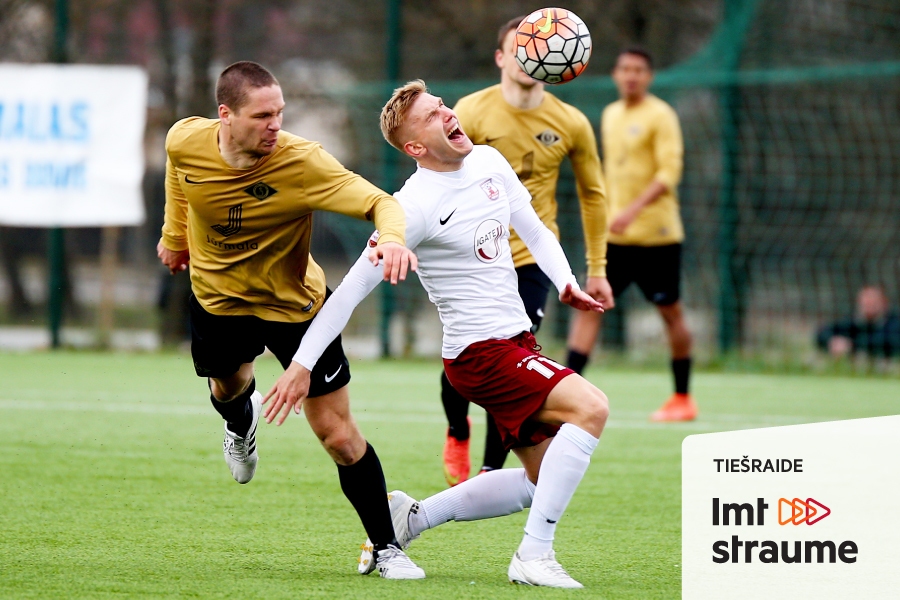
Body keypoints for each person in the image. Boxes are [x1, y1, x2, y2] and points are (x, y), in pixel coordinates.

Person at [265, 80, 610, 588]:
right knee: (592, 406)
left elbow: (534, 229)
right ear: (415, 148)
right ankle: (533, 556)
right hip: (479, 355)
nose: (448, 113)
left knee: (542, 481)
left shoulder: (490, 162)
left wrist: (566, 283)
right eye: (432, 116)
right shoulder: (410, 208)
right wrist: (301, 364)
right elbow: (346, 295)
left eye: (442, 105)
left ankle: (413, 517)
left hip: (516, 343)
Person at [156, 61, 424, 579]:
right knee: (228, 390)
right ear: (225, 116)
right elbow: (178, 176)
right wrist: (173, 233)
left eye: (280, 113)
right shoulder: (184, 139)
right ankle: (242, 425)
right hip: (218, 301)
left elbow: (380, 202)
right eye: (262, 115)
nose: (275, 125)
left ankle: (387, 547)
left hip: (296, 309)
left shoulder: (302, 162)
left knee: (339, 436)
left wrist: (391, 239)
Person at [439, 15, 612, 485]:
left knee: (511, 361)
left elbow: (594, 195)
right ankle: (457, 429)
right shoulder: (470, 112)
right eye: (523, 45)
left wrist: (596, 268)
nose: (534, 53)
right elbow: (439, 178)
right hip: (474, 256)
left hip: (532, 258)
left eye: (543, 45)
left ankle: (491, 467)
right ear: (501, 57)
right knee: (462, 359)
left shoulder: (570, 121)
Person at [566, 47, 697, 422]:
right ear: (615, 75)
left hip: (657, 235)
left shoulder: (661, 115)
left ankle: (683, 398)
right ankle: (569, 393)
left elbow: (669, 173)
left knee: (670, 313)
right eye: (625, 69)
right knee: (591, 307)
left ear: (649, 76)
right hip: (614, 237)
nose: (631, 76)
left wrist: (633, 210)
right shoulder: (610, 114)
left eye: (639, 70)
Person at [816, 286, 900, 358]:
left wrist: (852, 345)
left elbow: (888, 343)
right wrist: (832, 341)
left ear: (884, 303)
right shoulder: (852, 322)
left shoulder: (894, 323)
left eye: (873, 302)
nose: (868, 305)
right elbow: (823, 332)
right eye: (866, 302)